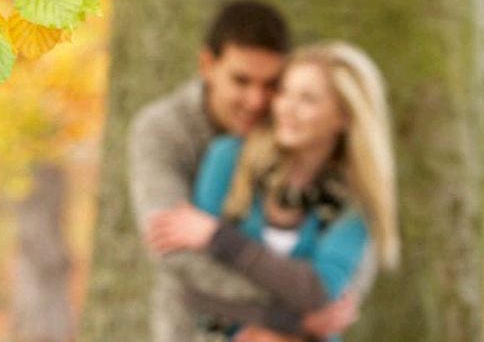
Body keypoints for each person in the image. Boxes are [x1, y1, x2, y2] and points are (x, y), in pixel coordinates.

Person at [129, 0, 362, 341]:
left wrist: (326, 300)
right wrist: (292, 313)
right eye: (241, 81)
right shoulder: (163, 130)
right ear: (207, 65)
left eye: (271, 84)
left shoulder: (291, 127)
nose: (257, 101)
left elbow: (341, 265)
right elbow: (174, 250)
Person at [155, 41, 399, 341]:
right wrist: (289, 321)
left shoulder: (354, 202)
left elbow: (318, 292)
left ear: (344, 116)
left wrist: (219, 237)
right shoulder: (229, 160)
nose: (286, 108)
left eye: (307, 100)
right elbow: (196, 283)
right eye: (284, 92)